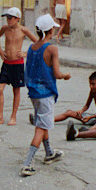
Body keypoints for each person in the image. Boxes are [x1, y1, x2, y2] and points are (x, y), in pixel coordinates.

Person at [21, 13, 70, 176]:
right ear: (50, 31)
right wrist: (65, 75)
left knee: (43, 122)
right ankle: (27, 163)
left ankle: (49, 153)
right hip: (46, 93)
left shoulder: (32, 47)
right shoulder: (51, 49)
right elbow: (56, 73)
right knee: (40, 128)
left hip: (34, 92)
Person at [0, 7, 35, 126]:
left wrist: (26, 53)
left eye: (10, 18)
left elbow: (37, 42)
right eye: (7, 18)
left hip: (17, 64)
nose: (8, 21)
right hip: (6, 63)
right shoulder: (5, 28)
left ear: (17, 19)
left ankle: (13, 117)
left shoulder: (23, 30)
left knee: (16, 90)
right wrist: (0, 50)